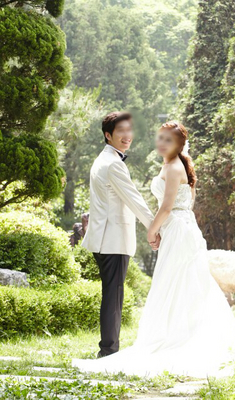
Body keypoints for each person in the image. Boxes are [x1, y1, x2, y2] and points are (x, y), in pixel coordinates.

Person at [73, 121, 235, 377]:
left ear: (179, 144)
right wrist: (159, 227)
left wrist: (153, 229)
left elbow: (167, 206)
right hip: (173, 228)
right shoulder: (165, 164)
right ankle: (123, 346)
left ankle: (177, 339)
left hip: (177, 229)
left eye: (168, 140)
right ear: (108, 135)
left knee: (179, 283)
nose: (162, 143)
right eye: (160, 138)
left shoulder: (172, 167)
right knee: (172, 284)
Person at [81, 111, 160, 358]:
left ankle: (108, 349)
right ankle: (108, 351)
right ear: (108, 135)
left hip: (103, 238)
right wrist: (156, 228)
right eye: (121, 131)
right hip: (113, 240)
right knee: (113, 296)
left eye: (129, 130)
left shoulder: (102, 159)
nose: (127, 136)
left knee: (111, 294)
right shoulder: (114, 164)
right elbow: (135, 200)